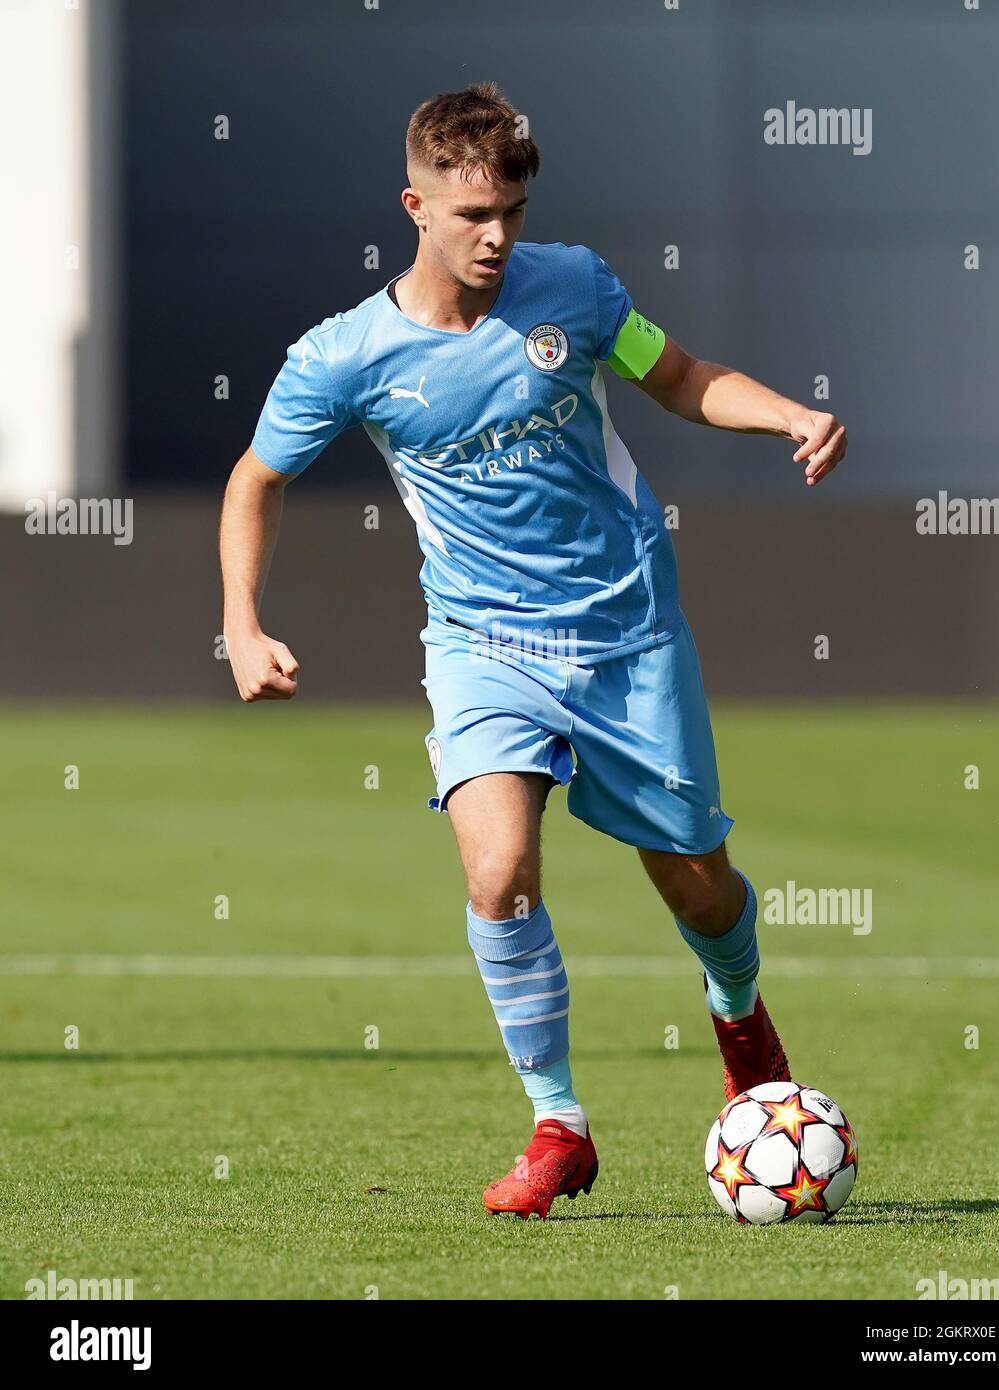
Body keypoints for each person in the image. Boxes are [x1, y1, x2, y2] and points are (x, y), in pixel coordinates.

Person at [219, 81, 848, 1222]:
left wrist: (788, 417)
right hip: (478, 644)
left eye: (510, 207)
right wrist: (242, 620)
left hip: (627, 633)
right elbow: (255, 479)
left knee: (698, 886)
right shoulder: (343, 357)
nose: (497, 235)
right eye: (470, 215)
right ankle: (559, 1124)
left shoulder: (576, 288)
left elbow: (679, 376)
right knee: (497, 873)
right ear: (414, 205)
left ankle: (739, 1015)